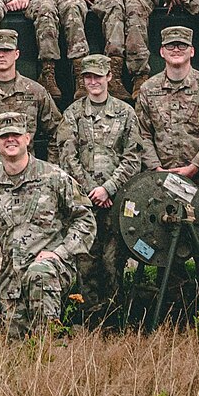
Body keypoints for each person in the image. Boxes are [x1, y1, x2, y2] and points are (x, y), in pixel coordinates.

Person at [0, 116, 95, 339]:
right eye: (4, 136)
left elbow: (85, 220)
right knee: (16, 350)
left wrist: (60, 253)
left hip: (52, 272)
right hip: (12, 282)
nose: (11, 140)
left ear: (27, 139)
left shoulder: (54, 177)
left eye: (16, 135)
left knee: (45, 342)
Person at [58, 55, 145, 310]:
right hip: (83, 202)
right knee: (85, 260)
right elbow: (67, 157)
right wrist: (91, 191)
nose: (93, 81)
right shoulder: (73, 113)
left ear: (109, 77)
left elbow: (133, 158)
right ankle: (90, 316)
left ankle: (115, 315)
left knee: (112, 261)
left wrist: (108, 189)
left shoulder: (125, 113)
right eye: (88, 77)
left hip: (116, 201)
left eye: (98, 76)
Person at [135, 26, 199, 219]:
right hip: (161, 180)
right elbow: (143, 133)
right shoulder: (148, 89)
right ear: (162, 51)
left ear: (192, 51)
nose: (176, 50)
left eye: (182, 45)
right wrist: (157, 169)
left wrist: (195, 166)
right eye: (170, 46)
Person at [0, 30, 66, 161]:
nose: (1, 55)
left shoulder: (35, 91)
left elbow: (58, 130)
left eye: (6, 50)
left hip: (23, 168)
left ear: (16, 54)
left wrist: (50, 165)